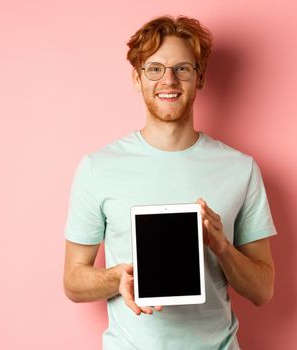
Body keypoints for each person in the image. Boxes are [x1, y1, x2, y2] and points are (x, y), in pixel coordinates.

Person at [63, 15, 277, 350]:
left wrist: (222, 247)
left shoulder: (240, 169)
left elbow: (263, 290)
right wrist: (119, 277)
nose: (169, 80)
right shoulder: (98, 168)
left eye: (182, 68)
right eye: (155, 68)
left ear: (199, 77)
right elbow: (73, 280)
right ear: (137, 77)